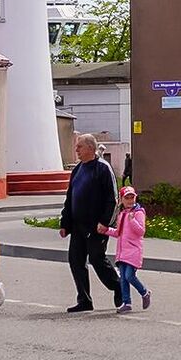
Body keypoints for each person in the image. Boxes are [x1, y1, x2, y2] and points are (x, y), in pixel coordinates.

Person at [58, 132, 121, 312]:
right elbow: (70, 198)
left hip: (96, 226)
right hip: (78, 226)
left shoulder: (102, 168)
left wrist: (105, 222)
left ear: (90, 149)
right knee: (76, 261)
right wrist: (65, 223)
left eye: (79, 147)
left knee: (97, 259)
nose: (76, 150)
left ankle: (118, 287)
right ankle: (84, 300)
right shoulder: (77, 169)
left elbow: (112, 199)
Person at [98, 182, 150, 314]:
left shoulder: (138, 212)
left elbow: (141, 231)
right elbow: (118, 233)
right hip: (122, 252)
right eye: (127, 198)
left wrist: (132, 220)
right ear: (121, 200)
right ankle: (126, 302)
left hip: (133, 251)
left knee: (129, 276)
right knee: (123, 278)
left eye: (132, 197)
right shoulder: (121, 214)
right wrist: (106, 230)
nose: (130, 201)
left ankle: (144, 292)